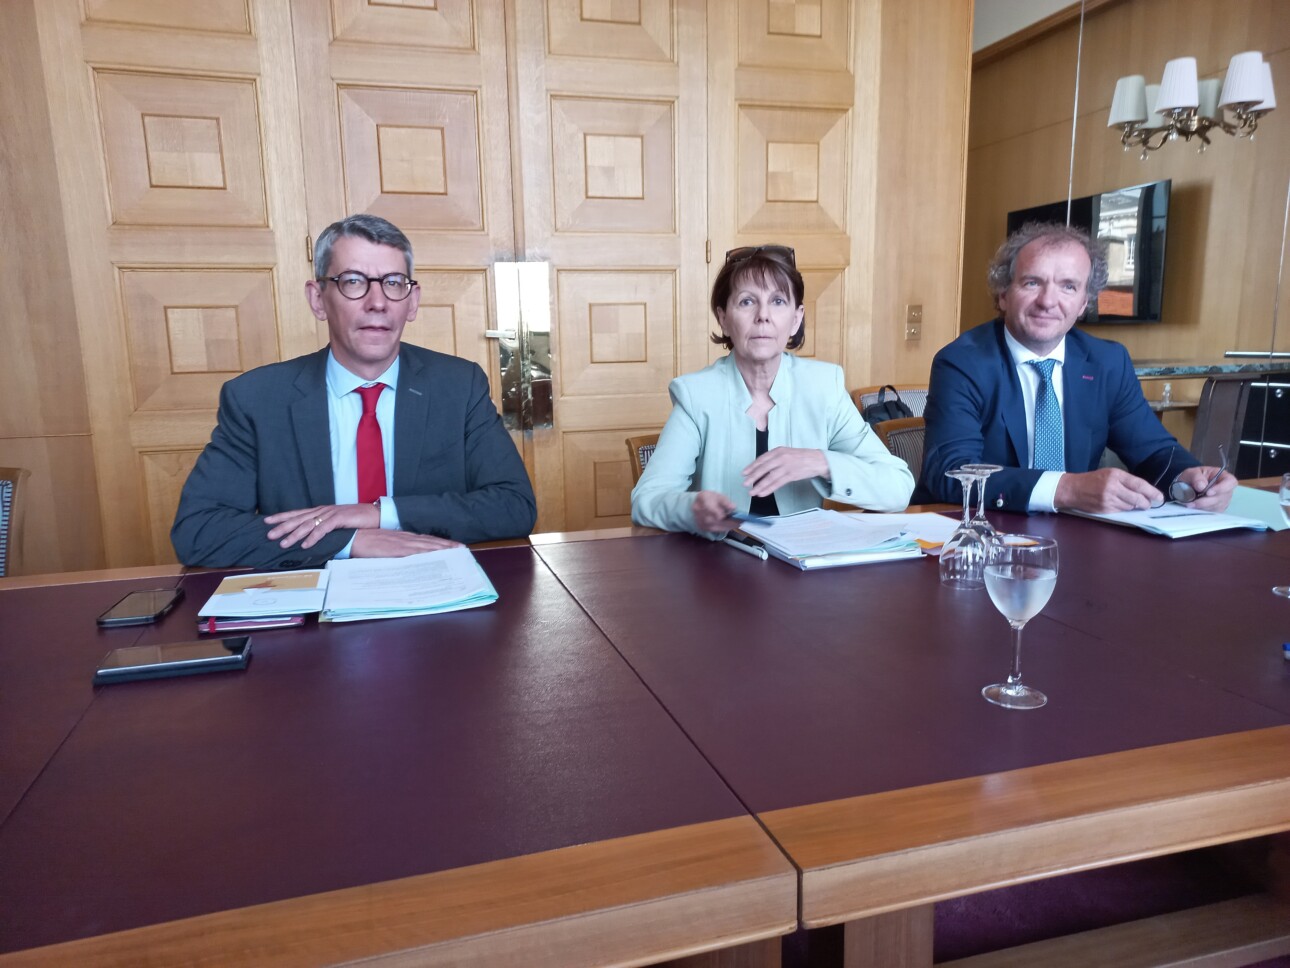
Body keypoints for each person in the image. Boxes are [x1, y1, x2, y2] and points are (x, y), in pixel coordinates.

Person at [172, 214, 537, 569]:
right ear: (318, 299)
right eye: (353, 281)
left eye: (393, 282)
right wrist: (349, 540)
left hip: (432, 595)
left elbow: (513, 506)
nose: (377, 302)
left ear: (411, 302)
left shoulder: (459, 385)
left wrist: (378, 515)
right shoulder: (256, 399)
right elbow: (199, 530)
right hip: (313, 610)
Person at [914, 222, 1235, 513]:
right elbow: (952, 472)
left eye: (1068, 286)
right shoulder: (962, 362)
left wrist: (1190, 479)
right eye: (1031, 283)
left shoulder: (1107, 362)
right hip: (984, 532)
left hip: (1081, 536)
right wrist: (1067, 488)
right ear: (1003, 295)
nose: (1048, 301)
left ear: (1084, 303)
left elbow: (1153, 451)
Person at [631, 244, 914, 536]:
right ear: (724, 319)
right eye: (746, 302)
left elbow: (898, 486)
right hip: (717, 565)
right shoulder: (697, 395)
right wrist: (692, 509)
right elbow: (647, 500)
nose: (763, 315)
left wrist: (820, 462)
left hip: (802, 566)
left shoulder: (823, 387)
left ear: (796, 319)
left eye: (778, 301)